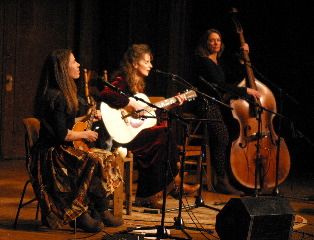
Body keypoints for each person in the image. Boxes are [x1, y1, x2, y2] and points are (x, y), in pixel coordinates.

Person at [32, 49, 123, 232]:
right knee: (91, 160)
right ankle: (79, 214)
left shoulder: (62, 94)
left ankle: (100, 209)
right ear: (63, 68)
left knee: (105, 157)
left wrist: (87, 118)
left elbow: (64, 123)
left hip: (59, 148)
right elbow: (61, 134)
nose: (78, 65)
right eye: (74, 62)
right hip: (51, 155)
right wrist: (85, 135)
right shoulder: (55, 96)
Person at [99, 44, 200, 209]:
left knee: (163, 135)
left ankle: (154, 192)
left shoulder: (138, 84)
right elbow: (106, 93)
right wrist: (130, 104)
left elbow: (146, 116)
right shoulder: (122, 78)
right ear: (134, 63)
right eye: (146, 61)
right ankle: (171, 185)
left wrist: (173, 103)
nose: (151, 66)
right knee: (163, 135)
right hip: (120, 135)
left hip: (133, 133)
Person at [193, 29, 261, 195]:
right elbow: (220, 85)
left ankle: (233, 177)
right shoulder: (204, 62)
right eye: (212, 40)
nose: (216, 43)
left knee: (230, 134)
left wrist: (243, 58)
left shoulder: (218, 62)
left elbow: (232, 79)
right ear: (205, 43)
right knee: (222, 136)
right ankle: (221, 181)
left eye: (218, 40)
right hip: (206, 104)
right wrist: (246, 91)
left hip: (218, 105)